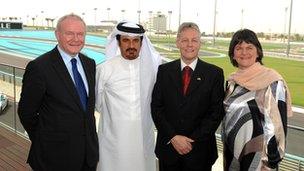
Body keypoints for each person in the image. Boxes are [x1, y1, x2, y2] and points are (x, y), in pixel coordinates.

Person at [18, 14, 98, 171]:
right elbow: (26, 113)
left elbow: (85, 110)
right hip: (53, 158)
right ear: (57, 35)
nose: (76, 39)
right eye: (69, 33)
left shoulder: (90, 64)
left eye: (80, 34)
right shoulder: (39, 67)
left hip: (87, 156)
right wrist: (46, 141)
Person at [151, 22, 225, 171]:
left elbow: (216, 113)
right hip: (169, 151)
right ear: (177, 43)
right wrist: (174, 137)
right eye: (184, 40)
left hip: (200, 152)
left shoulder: (214, 74)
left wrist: (190, 141)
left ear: (200, 43)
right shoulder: (164, 71)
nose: (189, 45)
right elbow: (156, 107)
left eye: (194, 40)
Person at [222, 29, 293, 171]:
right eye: (239, 48)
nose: (244, 52)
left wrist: (272, 160)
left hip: (260, 159)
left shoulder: (272, 81)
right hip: (232, 154)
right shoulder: (231, 82)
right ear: (233, 54)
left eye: (249, 47)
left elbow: (279, 125)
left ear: (258, 52)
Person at [95, 21, 161, 171]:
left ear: (141, 42)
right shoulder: (104, 69)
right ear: (118, 42)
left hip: (143, 138)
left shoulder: (153, 69)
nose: (131, 45)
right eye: (126, 40)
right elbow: (98, 103)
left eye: (135, 40)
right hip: (113, 139)